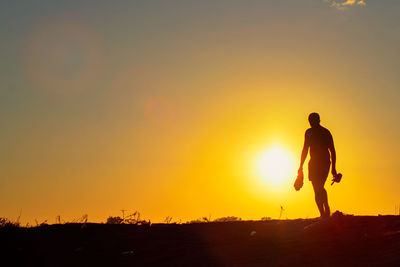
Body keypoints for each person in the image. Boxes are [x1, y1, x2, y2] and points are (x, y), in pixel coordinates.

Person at [298, 113, 338, 218]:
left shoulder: (326, 132)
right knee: (316, 188)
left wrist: (333, 168)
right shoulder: (308, 133)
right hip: (313, 163)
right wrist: (300, 166)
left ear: (318, 121)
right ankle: (323, 213)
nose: (311, 123)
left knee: (319, 186)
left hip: (324, 162)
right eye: (310, 121)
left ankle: (326, 209)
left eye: (313, 121)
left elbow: (332, 150)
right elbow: (305, 149)